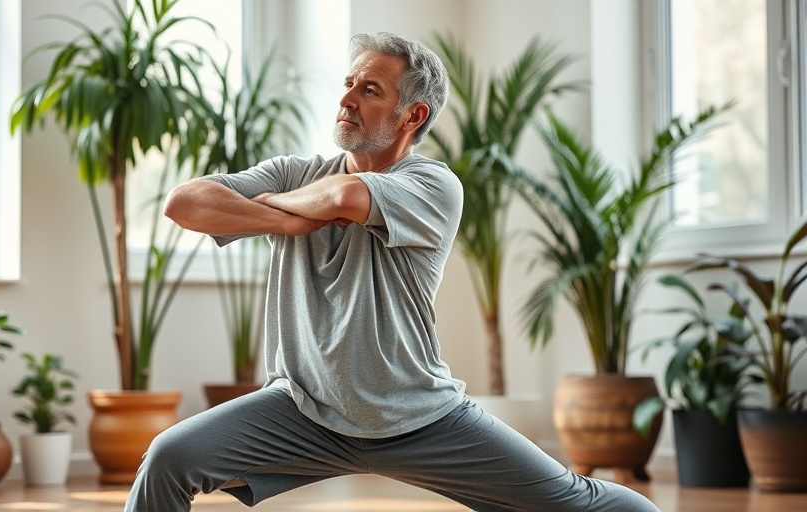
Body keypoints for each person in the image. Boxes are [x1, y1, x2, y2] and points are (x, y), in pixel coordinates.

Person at [124, 32, 661, 512]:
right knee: (170, 458)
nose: (346, 100)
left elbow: (347, 195)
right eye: (348, 84)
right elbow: (184, 202)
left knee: (585, 505)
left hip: (420, 417)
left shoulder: (434, 185)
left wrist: (276, 209)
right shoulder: (296, 173)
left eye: (370, 91)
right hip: (301, 409)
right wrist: (284, 221)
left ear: (414, 116)